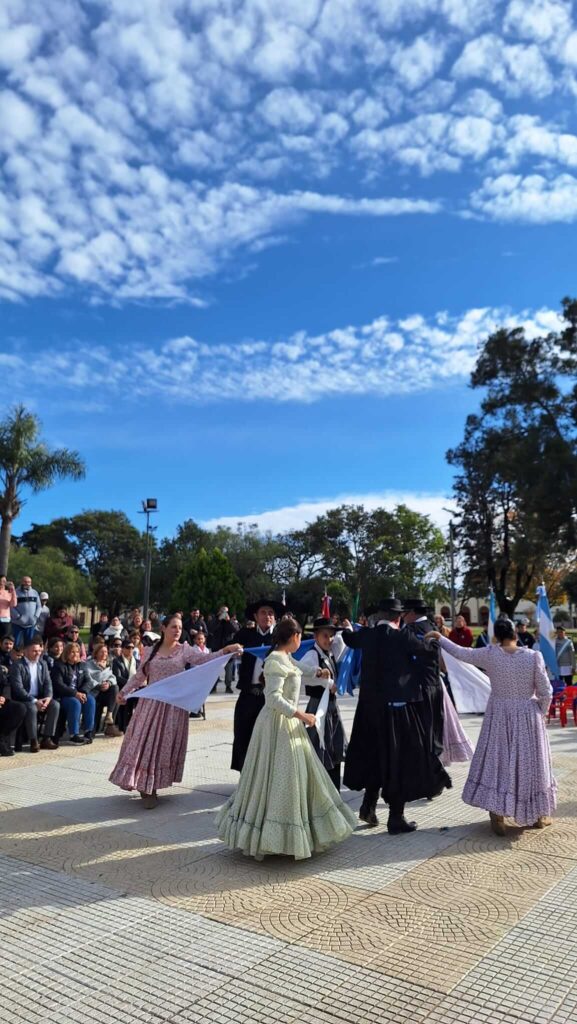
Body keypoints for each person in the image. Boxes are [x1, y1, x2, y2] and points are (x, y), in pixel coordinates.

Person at [216, 617, 357, 860]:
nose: (301, 641)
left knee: (294, 776)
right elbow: (272, 699)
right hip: (276, 725)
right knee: (280, 776)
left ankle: (288, 834)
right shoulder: (274, 661)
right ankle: (272, 834)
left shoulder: (285, 657)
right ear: (293, 637)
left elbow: (299, 668)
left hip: (288, 722)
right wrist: (302, 714)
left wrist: (318, 671)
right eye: (300, 636)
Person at [431, 618, 556, 834]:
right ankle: (537, 813)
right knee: (530, 764)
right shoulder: (533, 656)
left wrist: (439, 638)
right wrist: (540, 712)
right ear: (516, 633)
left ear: (496, 636)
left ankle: (498, 813)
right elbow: (546, 691)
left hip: (499, 714)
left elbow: (461, 653)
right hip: (528, 714)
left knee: (498, 762)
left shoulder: (490, 653)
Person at [342, 597, 451, 833]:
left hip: (369, 709)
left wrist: (347, 628)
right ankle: (395, 817)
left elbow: (348, 638)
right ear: (398, 617)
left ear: (380, 615)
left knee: (374, 757)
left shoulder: (368, 636)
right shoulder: (402, 637)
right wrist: (434, 639)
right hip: (396, 709)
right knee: (397, 760)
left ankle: (368, 806)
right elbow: (426, 651)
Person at [110, 612, 242, 808]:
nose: (177, 631)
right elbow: (139, 676)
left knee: (162, 745)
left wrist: (226, 650)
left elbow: (205, 660)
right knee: (143, 743)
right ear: (163, 628)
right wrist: (124, 692)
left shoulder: (184, 650)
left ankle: (151, 784)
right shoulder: (151, 650)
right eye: (173, 627)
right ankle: (144, 786)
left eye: (180, 628)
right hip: (151, 703)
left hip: (173, 707)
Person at [231, 599, 285, 771]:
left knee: (268, 737)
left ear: (275, 617)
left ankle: (265, 777)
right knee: (243, 734)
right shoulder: (244, 635)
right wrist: (234, 648)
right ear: (255, 616)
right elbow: (224, 647)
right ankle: (244, 776)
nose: (267, 616)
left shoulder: (280, 638)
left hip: (269, 695)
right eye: (263, 612)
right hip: (248, 692)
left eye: (270, 613)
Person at [298, 616, 347, 790]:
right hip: (318, 706)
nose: (329, 639)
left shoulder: (329, 652)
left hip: (330, 706)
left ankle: (333, 791)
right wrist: (325, 681)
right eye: (325, 636)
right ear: (316, 637)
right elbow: (302, 675)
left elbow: (342, 643)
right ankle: (321, 792)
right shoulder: (312, 654)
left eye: (331, 636)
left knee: (333, 749)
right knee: (320, 749)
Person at [403, 597, 445, 763]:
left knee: (421, 730)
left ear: (412, 613)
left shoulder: (413, 629)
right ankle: (435, 769)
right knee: (434, 729)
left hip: (419, 687)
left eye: (404, 613)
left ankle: (427, 772)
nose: (402, 617)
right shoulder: (432, 626)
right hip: (434, 684)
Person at [9, 635, 60, 751]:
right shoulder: (18, 665)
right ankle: (33, 740)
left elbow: (48, 683)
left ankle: (46, 738)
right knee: (32, 708)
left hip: (40, 697)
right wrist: (35, 701)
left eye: (39, 651)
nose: (37, 653)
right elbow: (18, 688)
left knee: (55, 705)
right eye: (34, 651)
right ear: (25, 651)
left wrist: (47, 698)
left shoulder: (42, 664)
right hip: (24, 699)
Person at [51, 642, 96, 744]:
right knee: (75, 703)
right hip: (64, 695)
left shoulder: (82, 665)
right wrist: (75, 693)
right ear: (66, 653)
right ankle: (73, 734)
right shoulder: (59, 666)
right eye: (72, 652)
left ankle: (88, 731)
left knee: (91, 700)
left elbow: (89, 681)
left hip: (79, 693)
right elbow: (59, 685)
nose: (75, 654)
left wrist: (83, 692)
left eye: (77, 652)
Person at [85, 642, 122, 736]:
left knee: (115, 689)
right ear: (96, 653)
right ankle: (103, 727)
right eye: (102, 652)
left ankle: (109, 716)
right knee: (115, 698)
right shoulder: (88, 664)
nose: (104, 654)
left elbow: (113, 677)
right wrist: (99, 685)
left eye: (106, 652)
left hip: (106, 692)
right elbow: (88, 678)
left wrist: (108, 683)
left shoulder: (108, 664)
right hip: (94, 692)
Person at [112, 637, 138, 732]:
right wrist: (131, 684)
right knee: (126, 698)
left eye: (132, 647)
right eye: (128, 647)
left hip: (136, 687)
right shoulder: (117, 661)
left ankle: (137, 724)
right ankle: (123, 726)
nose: (130, 649)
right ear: (122, 649)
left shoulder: (136, 661)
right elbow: (117, 677)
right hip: (123, 687)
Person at [209, 606, 238, 693]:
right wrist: (218, 619)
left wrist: (228, 621)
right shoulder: (215, 620)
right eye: (222, 611)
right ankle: (213, 686)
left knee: (229, 669)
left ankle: (228, 686)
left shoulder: (231, 621)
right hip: (217, 648)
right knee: (215, 669)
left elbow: (236, 629)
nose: (224, 613)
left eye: (226, 611)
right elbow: (210, 629)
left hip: (228, 648)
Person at [10, 577, 42, 647]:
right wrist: (18, 616)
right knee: (15, 644)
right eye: (25, 581)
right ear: (21, 582)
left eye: (29, 582)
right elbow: (11, 606)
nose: (27, 583)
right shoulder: (15, 592)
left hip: (30, 625)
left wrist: (36, 616)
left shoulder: (35, 592)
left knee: (29, 645)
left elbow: (39, 606)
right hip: (17, 624)